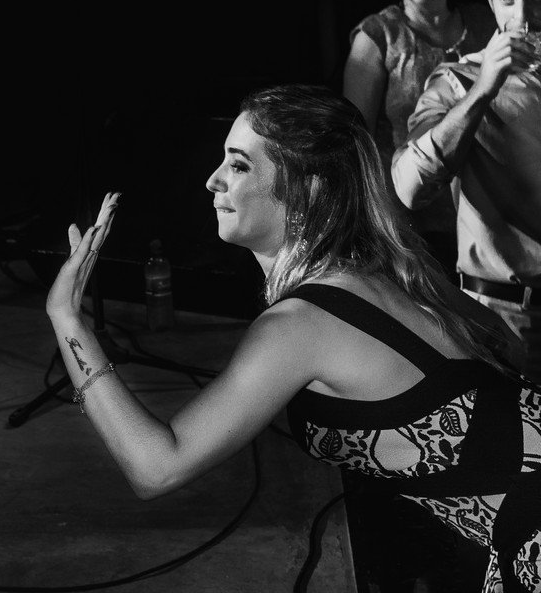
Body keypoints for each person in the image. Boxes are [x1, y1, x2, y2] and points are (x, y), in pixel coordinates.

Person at [46, 85, 539, 592]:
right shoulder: (390, 272)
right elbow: (508, 348)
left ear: (307, 190)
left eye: (238, 166)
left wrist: (67, 319)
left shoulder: (300, 325)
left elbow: (155, 467)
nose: (212, 180)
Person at [392, 0, 541, 377]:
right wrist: (482, 93)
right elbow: (409, 190)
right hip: (504, 321)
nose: (524, 18)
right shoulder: (457, 81)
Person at [342, 0, 497, 274]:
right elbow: (354, 138)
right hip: (409, 223)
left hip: (484, 218)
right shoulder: (378, 35)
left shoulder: (486, 25)